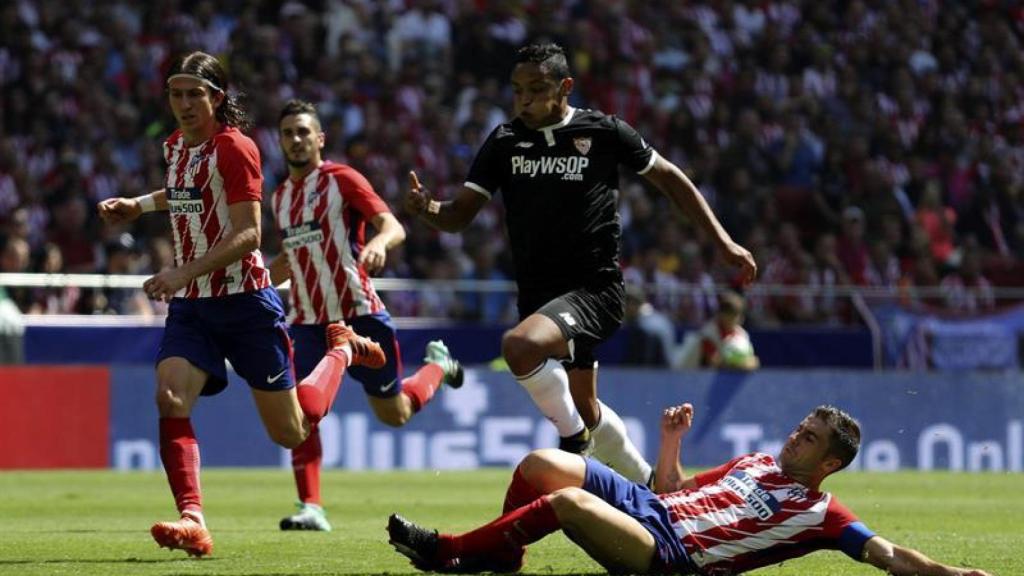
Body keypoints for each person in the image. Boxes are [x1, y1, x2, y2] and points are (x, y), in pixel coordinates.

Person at [405, 43, 757, 484]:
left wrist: (723, 242)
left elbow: (669, 178)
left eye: (536, 88)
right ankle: (656, 484)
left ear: (565, 87)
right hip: (540, 296)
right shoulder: (504, 142)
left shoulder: (604, 132)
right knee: (586, 407)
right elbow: (459, 215)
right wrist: (427, 208)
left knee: (519, 348)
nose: (525, 99)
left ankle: (573, 444)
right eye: (517, 90)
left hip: (595, 290)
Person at [97, 51, 386, 557]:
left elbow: (250, 232)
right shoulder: (175, 147)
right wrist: (137, 206)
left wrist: (181, 271)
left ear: (217, 98)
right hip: (193, 306)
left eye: (194, 94)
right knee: (169, 398)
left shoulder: (236, 147)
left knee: (291, 431)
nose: (184, 104)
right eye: (176, 93)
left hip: (247, 303)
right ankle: (194, 520)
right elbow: (183, 191)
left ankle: (340, 349)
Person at [387, 403, 992, 576]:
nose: (794, 438)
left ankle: (453, 552)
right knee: (542, 462)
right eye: (799, 428)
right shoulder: (754, 462)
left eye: (808, 439)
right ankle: (504, 557)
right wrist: (670, 441)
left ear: (829, 463)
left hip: (670, 556)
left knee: (567, 503)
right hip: (649, 507)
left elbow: (885, 555)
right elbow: (673, 487)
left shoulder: (822, 513)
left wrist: (952, 574)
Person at [268, 99, 464, 532]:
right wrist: (258, 276)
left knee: (392, 414)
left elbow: (393, 225)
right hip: (306, 321)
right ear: (280, 141)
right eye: (288, 133)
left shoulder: (343, 180)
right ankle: (311, 507)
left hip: (360, 316)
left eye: (304, 132)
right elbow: (291, 257)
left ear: (320, 139)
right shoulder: (279, 198)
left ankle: (437, 366)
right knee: (301, 412)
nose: (296, 140)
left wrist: (379, 243)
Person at [676, 290, 760, 371]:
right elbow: (715, 362)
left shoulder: (742, 335)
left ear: (741, 318)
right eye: (727, 312)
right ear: (720, 314)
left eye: (734, 314)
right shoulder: (708, 333)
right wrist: (742, 365)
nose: (730, 318)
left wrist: (749, 363)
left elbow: (753, 362)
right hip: (688, 377)